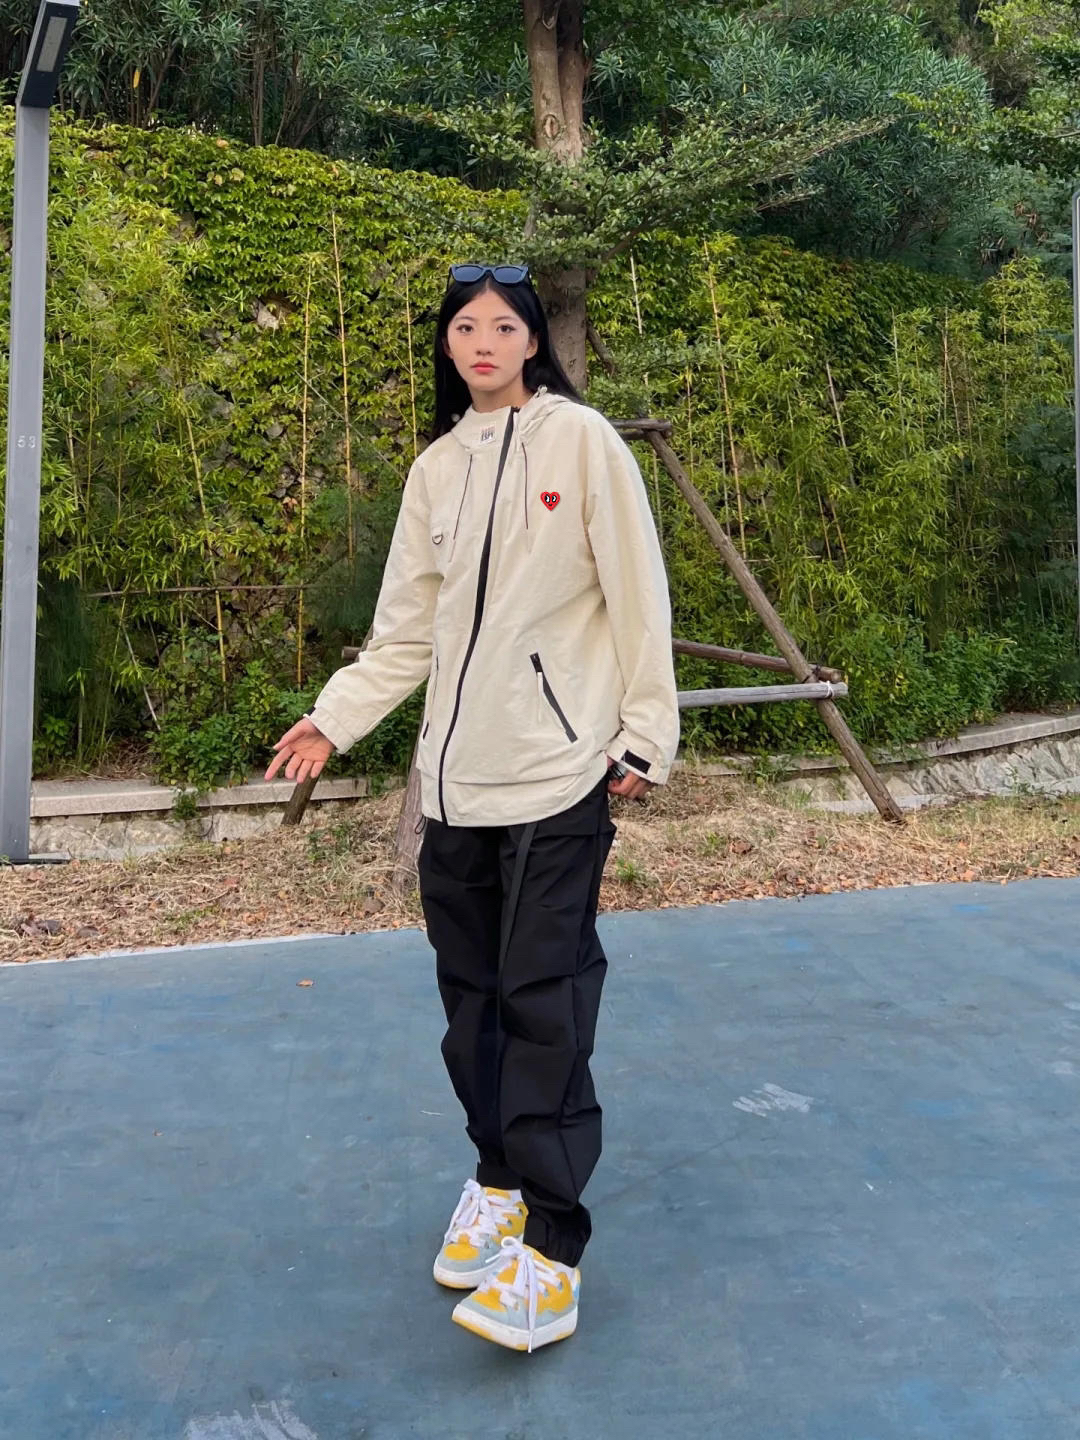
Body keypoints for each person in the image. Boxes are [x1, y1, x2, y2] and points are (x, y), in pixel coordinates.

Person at [265, 262, 680, 1352]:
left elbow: (638, 592)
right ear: (447, 346)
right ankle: (497, 1177)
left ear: (533, 341)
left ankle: (551, 1244)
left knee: (545, 1000)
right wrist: (334, 719)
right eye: (464, 327)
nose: (483, 342)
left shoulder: (582, 443)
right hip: (453, 788)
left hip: (556, 776)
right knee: (474, 1005)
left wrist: (647, 732)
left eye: (503, 325)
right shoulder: (436, 469)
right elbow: (406, 630)